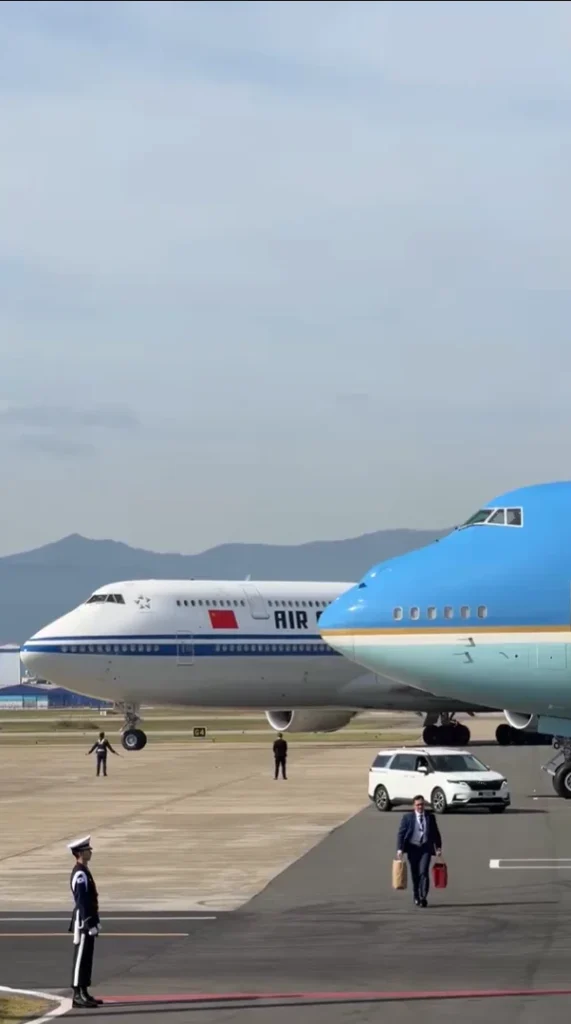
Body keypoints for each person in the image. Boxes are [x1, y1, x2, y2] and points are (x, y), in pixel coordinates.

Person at [68, 835, 103, 1008]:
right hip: (83, 922)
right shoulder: (80, 873)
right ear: (81, 853)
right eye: (87, 850)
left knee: (87, 958)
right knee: (81, 958)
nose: (90, 852)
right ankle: (76, 994)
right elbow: (82, 901)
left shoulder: (84, 871)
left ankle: (84, 991)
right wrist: (89, 922)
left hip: (88, 920)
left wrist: (95, 921)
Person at [396, 795, 442, 907]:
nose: (420, 807)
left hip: (425, 848)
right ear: (414, 806)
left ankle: (423, 897)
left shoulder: (430, 817)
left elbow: (436, 833)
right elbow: (401, 834)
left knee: (424, 872)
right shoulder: (407, 818)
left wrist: (438, 848)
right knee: (415, 874)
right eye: (417, 805)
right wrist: (400, 849)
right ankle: (416, 895)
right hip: (413, 848)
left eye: (421, 804)